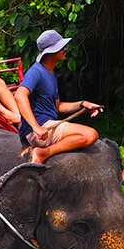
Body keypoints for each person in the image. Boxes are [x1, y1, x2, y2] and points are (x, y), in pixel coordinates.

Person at [15, 29, 103, 164]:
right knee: (90, 134)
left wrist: (83, 104)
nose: (65, 49)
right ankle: (43, 153)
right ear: (50, 52)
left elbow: (58, 106)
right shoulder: (36, 72)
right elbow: (20, 95)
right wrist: (36, 127)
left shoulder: (50, 73)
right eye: (61, 47)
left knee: (87, 135)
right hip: (40, 128)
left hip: (49, 124)